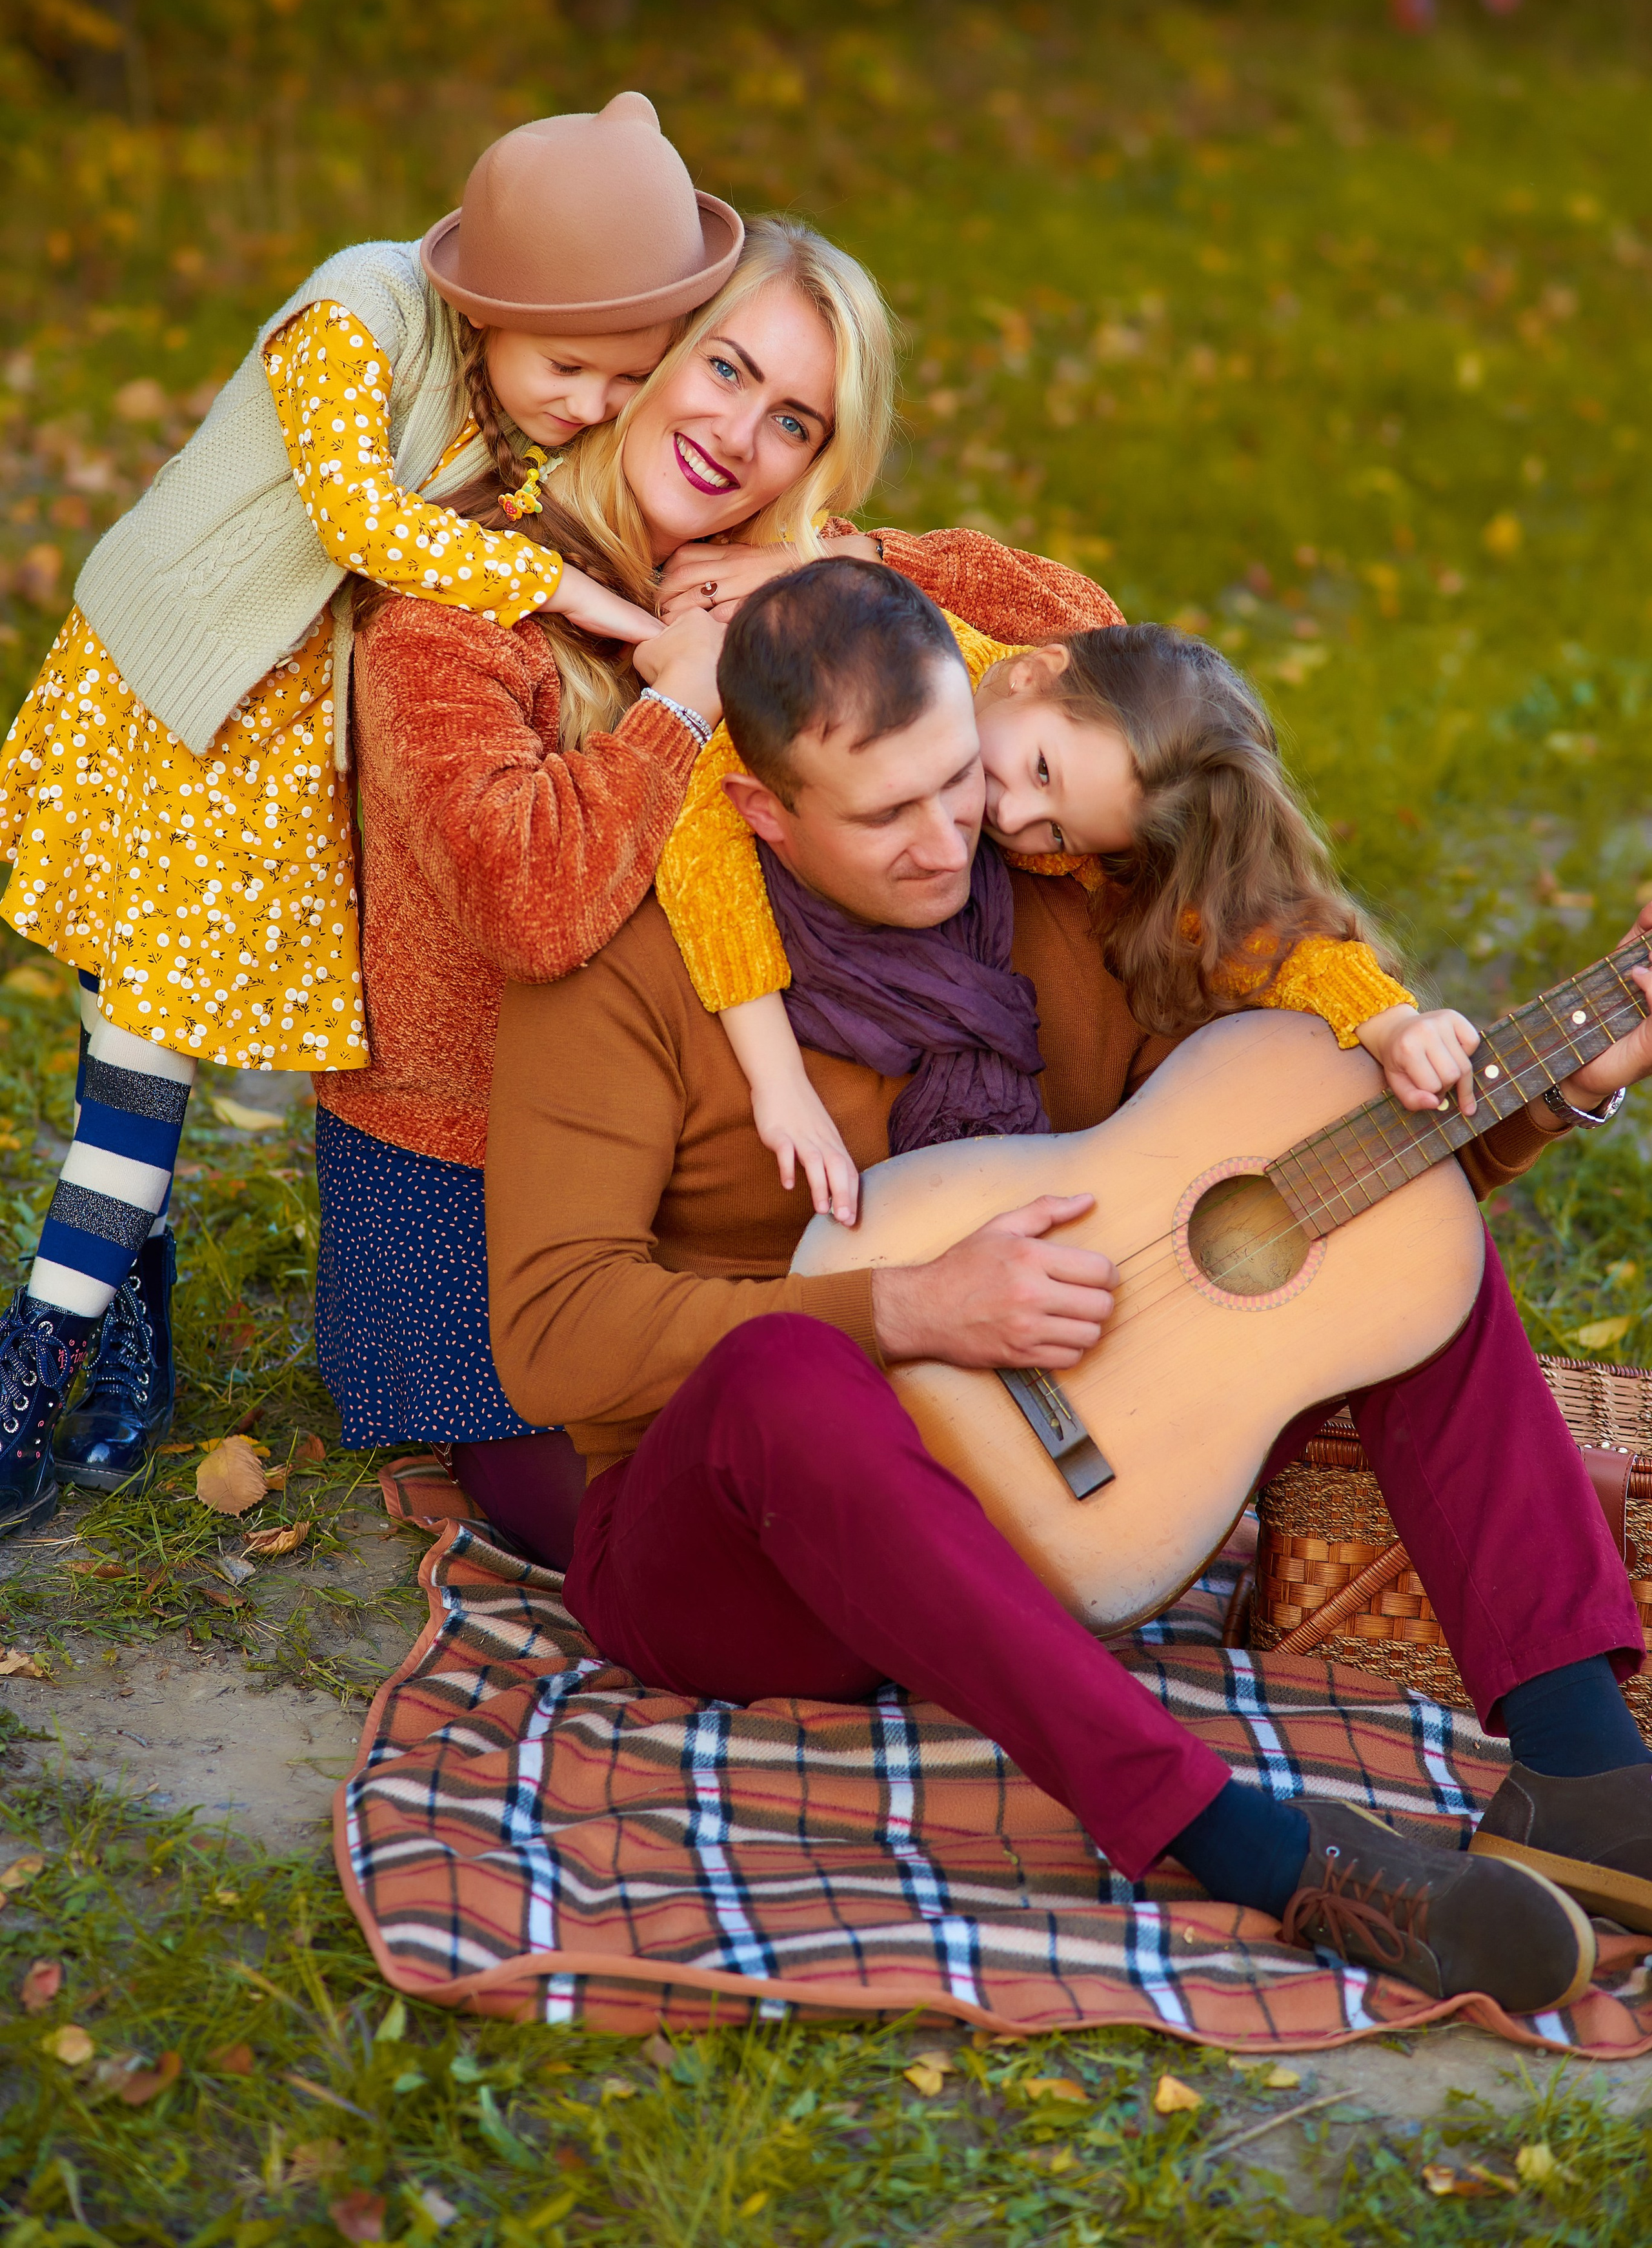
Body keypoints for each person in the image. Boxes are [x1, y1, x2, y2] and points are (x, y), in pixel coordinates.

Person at [483, 558, 1652, 2017]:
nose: (942, 844)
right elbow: (544, 1338)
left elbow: (1261, 1189)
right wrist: (902, 1305)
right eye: (882, 814)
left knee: (1415, 1260)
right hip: (745, 1554)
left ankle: (1582, 1765)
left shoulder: (1054, 893)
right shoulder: (615, 968)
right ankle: (1251, 1843)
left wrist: (1553, 1092)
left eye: (954, 787)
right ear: (759, 810)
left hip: (1081, 1471)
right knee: (786, 1380)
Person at [311, 218, 1121, 1564]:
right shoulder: (454, 604)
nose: (743, 437)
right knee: (756, 1523)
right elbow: (533, 909)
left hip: (735, 1179)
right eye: (726, 370)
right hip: (490, 1192)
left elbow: (1096, 657)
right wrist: (678, 700)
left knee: (958, 1467)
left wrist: (844, 570)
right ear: (650, 356)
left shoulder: (778, 576)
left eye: (794, 419)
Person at [0, 92, 743, 1537]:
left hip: (270, 743)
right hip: (167, 701)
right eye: (573, 366)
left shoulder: (505, 402)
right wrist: (578, 594)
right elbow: (354, 518)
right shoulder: (359, 305)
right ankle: (42, 1358)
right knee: (137, 1051)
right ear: (487, 300)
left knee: (131, 1053)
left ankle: (112, 1336)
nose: (591, 403)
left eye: (623, 379)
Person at [658, 614, 1482, 1224]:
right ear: (1032, 671)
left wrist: (1387, 1022)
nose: (1008, 814)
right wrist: (779, 1083)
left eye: (1056, 831)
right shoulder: (887, 677)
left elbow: (1244, 934)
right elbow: (705, 846)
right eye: (1038, 769)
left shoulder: (1067, 795)